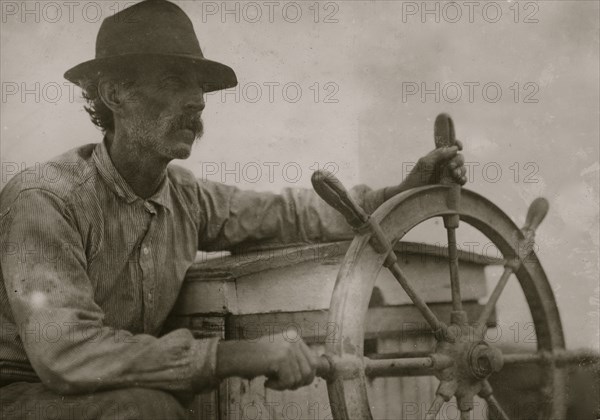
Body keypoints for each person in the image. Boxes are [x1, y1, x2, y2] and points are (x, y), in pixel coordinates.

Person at [0, 0, 466, 418]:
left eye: (200, 86)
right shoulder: (46, 199)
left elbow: (290, 215)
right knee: (147, 412)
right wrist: (233, 357)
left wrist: (401, 193)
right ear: (115, 94)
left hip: (107, 391)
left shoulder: (186, 197)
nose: (199, 100)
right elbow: (67, 353)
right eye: (173, 80)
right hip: (20, 390)